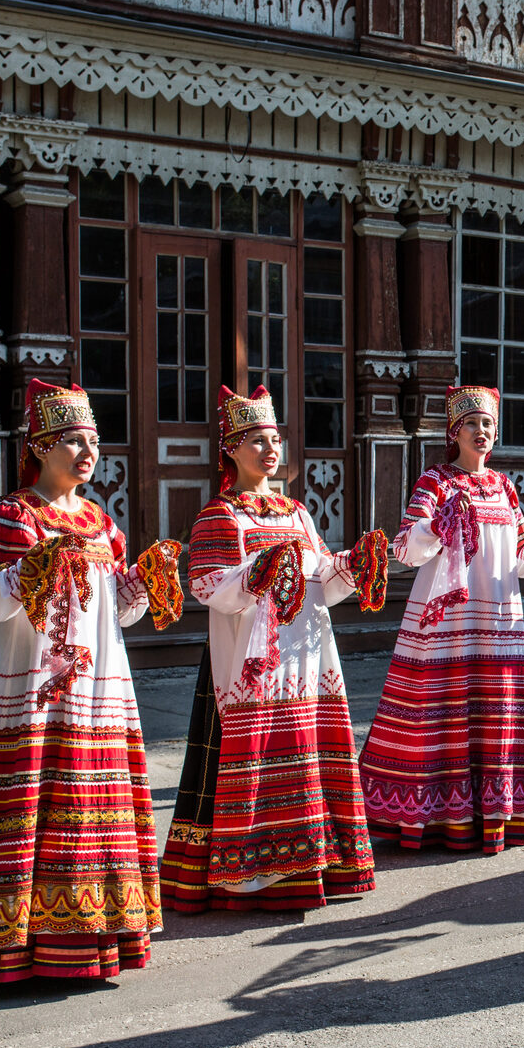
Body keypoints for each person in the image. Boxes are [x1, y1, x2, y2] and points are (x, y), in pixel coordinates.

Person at [0, 379, 182, 980]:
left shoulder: (99, 521)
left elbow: (117, 611)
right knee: (21, 802)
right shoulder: (12, 516)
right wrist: (29, 568)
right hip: (28, 687)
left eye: (93, 442)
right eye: (73, 441)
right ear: (42, 443)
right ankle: (0, 943)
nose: (88, 452)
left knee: (88, 803)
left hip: (97, 690)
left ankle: (92, 935)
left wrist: (144, 579)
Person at [160, 385, 386, 913]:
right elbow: (208, 584)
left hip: (306, 658)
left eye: (275, 439)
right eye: (256, 440)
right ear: (232, 449)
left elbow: (319, 581)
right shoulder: (221, 516)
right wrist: (255, 573)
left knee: (306, 747)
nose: (269, 449)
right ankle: (250, 876)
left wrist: (353, 563)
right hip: (250, 664)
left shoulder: (297, 513)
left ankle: (310, 864)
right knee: (252, 752)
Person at [357, 386, 524, 853]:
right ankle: (431, 816)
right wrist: (435, 526)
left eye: (488, 424)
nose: (482, 432)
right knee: (437, 714)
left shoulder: (503, 486)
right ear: (454, 431)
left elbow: (520, 554)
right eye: (473, 424)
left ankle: (494, 811)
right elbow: (404, 548)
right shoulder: (436, 483)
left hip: (498, 621)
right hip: (445, 624)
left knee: (492, 714)